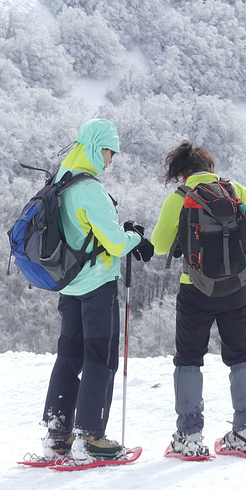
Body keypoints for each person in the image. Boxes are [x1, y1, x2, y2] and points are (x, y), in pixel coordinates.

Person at [151, 140, 246, 457]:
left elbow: (159, 246)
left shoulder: (179, 199)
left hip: (195, 288)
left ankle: (189, 437)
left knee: (188, 358)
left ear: (183, 174)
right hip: (238, 288)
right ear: (211, 169)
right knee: (241, 355)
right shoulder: (234, 190)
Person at [41, 118, 154, 462]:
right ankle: (91, 437)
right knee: (100, 358)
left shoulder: (61, 179)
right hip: (97, 286)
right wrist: (136, 238)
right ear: (94, 147)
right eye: (108, 152)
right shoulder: (90, 188)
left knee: (69, 356)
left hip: (69, 284)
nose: (109, 160)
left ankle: (57, 434)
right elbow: (116, 243)